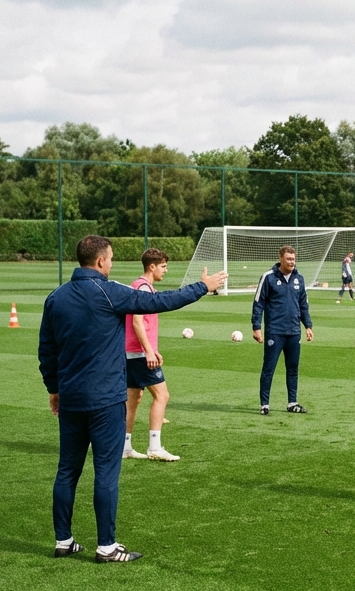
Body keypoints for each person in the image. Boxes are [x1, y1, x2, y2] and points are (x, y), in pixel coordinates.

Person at [39, 235, 226, 562]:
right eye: (110, 259)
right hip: (106, 401)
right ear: (100, 262)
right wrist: (203, 286)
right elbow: (161, 302)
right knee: (106, 473)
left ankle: (64, 541)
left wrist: (54, 391)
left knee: (67, 470)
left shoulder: (56, 298)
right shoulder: (109, 293)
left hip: (70, 400)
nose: (111, 264)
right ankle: (106, 547)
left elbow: (47, 353)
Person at [122, 248, 180, 462]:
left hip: (131, 352)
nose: (166, 270)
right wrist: (148, 351)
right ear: (152, 266)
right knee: (162, 396)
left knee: (133, 399)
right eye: (163, 266)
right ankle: (154, 447)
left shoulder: (137, 286)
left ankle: (125, 447)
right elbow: (137, 321)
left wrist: (151, 348)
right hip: (138, 354)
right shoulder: (144, 289)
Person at [252, 245, 314, 415]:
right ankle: (264, 404)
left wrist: (308, 326)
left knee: (293, 368)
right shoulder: (268, 277)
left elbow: (303, 305)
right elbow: (258, 303)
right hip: (275, 331)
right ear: (280, 258)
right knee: (269, 368)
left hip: (294, 331)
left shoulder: (299, 279)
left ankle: (292, 403)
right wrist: (256, 327)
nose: (292, 262)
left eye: (293, 259)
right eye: (288, 259)